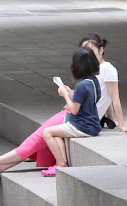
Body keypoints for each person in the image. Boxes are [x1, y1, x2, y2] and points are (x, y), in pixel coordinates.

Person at [0, 34, 127, 183]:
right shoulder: (93, 78)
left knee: (35, 140)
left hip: (72, 115)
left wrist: (121, 124)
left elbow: (113, 97)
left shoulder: (106, 71)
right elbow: (104, 98)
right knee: (35, 141)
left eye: (89, 49)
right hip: (77, 115)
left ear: (100, 50)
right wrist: (110, 119)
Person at [40, 47, 101, 176]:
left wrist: (65, 95)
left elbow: (74, 110)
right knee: (56, 133)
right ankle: (60, 161)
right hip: (94, 124)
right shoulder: (94, 82)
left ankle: (61, 163)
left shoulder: (81, 86)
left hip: (82, 126)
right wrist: (71, 93)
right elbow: (90, 99)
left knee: (47, 132)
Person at [79, 34, 127, 133]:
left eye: (91, 50)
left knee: (48, 132)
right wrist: (111, 121)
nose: (87, 54)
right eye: (84, 51)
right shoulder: (91, 68)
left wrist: (122, 126)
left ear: (101, 50)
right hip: (79, 113)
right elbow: (104, 94)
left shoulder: (107, 69)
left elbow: (114, 97)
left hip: (83, 118)